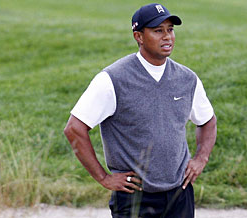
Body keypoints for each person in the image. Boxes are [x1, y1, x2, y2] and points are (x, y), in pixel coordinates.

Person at [64, 3, 217, 218]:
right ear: (139, 36)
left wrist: (201, 159)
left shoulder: (187, 79)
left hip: (179, 194)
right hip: (134, 197)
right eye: (158, 31)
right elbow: (74, 129)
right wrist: (104, 178)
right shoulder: (112, 79)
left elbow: (208, 121)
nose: (167, 37)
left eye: (170, 30)